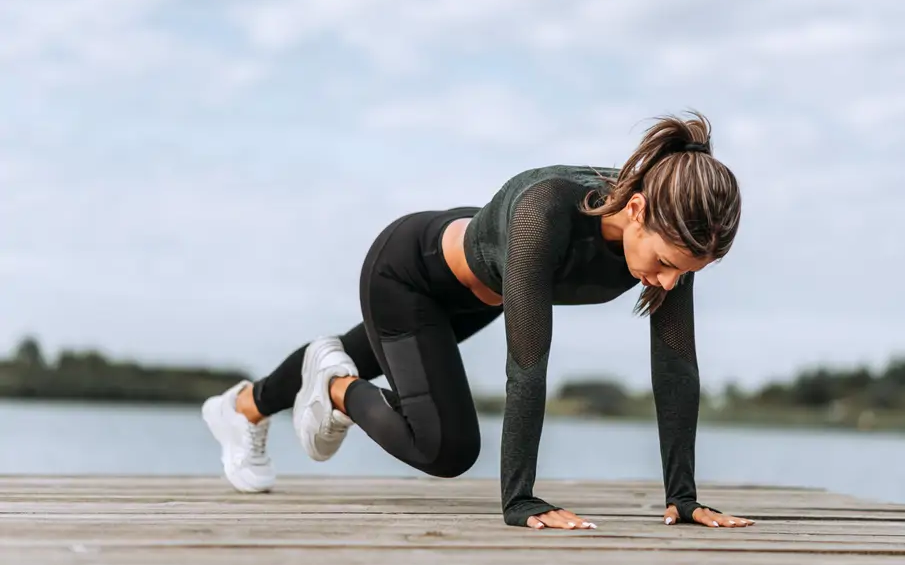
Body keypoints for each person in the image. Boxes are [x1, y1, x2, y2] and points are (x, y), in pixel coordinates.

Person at [202, 111, 754, 531]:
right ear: (635, 210)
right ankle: (336, 387)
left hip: (473, 301)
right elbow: (529, 366)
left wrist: (682, 496)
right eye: (663, 264)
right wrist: (521, 500)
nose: (667, 282)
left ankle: (240, 409)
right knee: (446, 448)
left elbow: (677, 367)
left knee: (363, 347)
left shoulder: (675, 229)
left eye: (684, 273)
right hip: (406, 276)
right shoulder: (549, 209)